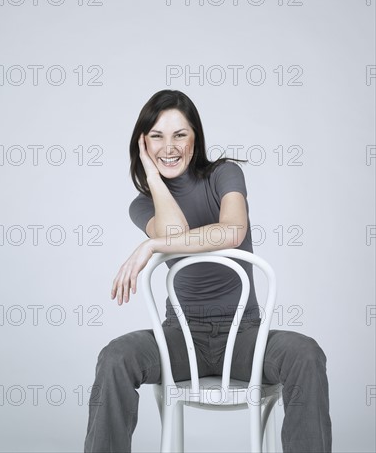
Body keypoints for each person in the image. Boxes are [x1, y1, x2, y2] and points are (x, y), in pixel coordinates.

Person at [84, 89, 332, 453]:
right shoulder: (142, 204)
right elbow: (175, 234)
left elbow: (233, 231)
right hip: (181, 340)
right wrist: (153, 179)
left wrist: (151, 245)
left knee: (306, 354)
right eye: (156, 136)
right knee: (115, 356)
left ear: (195, 138)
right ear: (143, 143)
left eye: (179, 135)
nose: (169, 147)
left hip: (245, 336)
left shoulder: (224, 174)